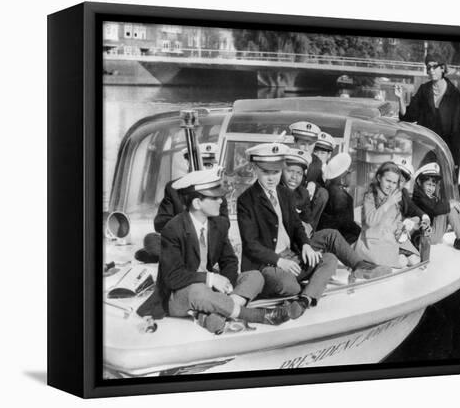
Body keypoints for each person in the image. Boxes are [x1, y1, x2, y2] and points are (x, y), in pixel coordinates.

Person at [136, 169, 290, 333]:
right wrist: (210, 278)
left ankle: (219, 313)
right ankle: (257, 315)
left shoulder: (219, 224)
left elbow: (229, 261)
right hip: (180, 293)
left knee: (255, 276)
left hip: (210, 289)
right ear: (197, 203)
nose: (221, 201)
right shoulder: (173, 229)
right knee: (198, 290)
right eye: (215, 197)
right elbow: (172, 278)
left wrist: (227, 283)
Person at [237, 142, 338, 319]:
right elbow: (251, 244)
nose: (271, 178)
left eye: (275, 172)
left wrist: (306, 245)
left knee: (329, 259)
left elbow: (297, 226)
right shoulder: (246, 200)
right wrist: (279, 261)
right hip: (266, 265)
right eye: (265, 172)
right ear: (255, 169)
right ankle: (302, 291)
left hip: (291, 256)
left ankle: (304, 300)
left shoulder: (285, 194)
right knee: (290, 286)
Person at [135, 143, 228, 263]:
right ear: (189, 164)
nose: (204, 170)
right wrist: (188, 223)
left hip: (206, 240)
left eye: (209, 165)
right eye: (200, 166)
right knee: (151, 240)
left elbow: (224, 224)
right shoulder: (174, 188)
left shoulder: (216, 189)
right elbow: (160, 223)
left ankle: (169, 255)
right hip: (180, 240)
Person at [394, 54, 460, 168]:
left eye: (434, 67)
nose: (431, 70)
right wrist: (400, 98)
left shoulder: (454, 93)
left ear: (442, 68)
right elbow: (407, 116)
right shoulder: (424, 90)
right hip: (424, 146)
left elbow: (459, 125)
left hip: (447, 148)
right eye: (428, 67)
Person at [353, 161, 421, 269]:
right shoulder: (370, 196)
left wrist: (401, 229)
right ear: (379, 178)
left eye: (394, 183)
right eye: (388, 181)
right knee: (402, 262)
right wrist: (388, 203)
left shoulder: (393, 197)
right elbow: (370, 221)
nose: (390, 186)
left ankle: (398, 255)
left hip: (389, 239)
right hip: (373, 242)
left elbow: (394, 223)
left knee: (415, 260)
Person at [412, 163, 460, 254]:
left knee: (450, 205)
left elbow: (439, 207)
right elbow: (434, 209)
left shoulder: (431, 198)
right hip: (425, 236)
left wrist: (457, 206)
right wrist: (452, 205)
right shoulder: (418, 196)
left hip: (432, 233)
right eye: (428, 184)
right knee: (448, 208)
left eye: (433, 185)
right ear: (420, 182)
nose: (431, 188)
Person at [289, 121, 329, 229]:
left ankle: (310, 229)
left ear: (315, 144)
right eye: (302, 144)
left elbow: (321, 184)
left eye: (310, 144)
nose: (306, 149)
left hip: (307, 208)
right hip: (289, 204)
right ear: (295, 142)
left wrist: (314, 184)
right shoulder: (286, 159)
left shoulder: (316, 162)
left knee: (323, 194)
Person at [317, 153, 361, 245]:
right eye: (349, 173)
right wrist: (361, 231)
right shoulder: (340, 196)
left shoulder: (331, 188)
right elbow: (345, 224)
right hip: (337, 240)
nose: (352, 176)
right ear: (342, 177)